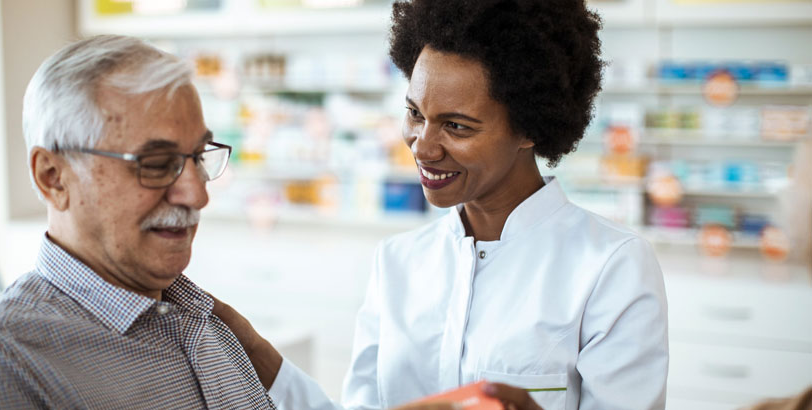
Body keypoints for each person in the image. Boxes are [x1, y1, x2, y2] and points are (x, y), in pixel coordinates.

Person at [0, 34, 530, 410]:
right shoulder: (0, 362)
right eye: (155, 164)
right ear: (52, 176)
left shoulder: (201, 319)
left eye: (197, 157)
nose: (196, 192)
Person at [219, 0, 669, 409]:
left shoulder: (611, 267)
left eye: (456, 126)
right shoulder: (397, 263)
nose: (423, 146)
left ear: (529, 127)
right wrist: (265, 362)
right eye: (415, 113)